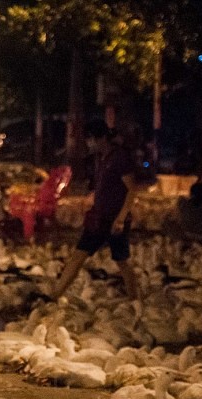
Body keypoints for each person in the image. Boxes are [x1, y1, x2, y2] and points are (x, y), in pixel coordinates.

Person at [45, 121, 141, 301]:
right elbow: (107, 186)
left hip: (113, 220)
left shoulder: (119, 157)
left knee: (121, 261)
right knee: (79, 255)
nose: (90, 143)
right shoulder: (102, 159)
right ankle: (55, 295)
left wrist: (120, 219)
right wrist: (92, 198)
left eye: (92, 139)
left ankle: (134, 299)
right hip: (99, 218)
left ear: (103, 138)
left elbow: (132, 189)